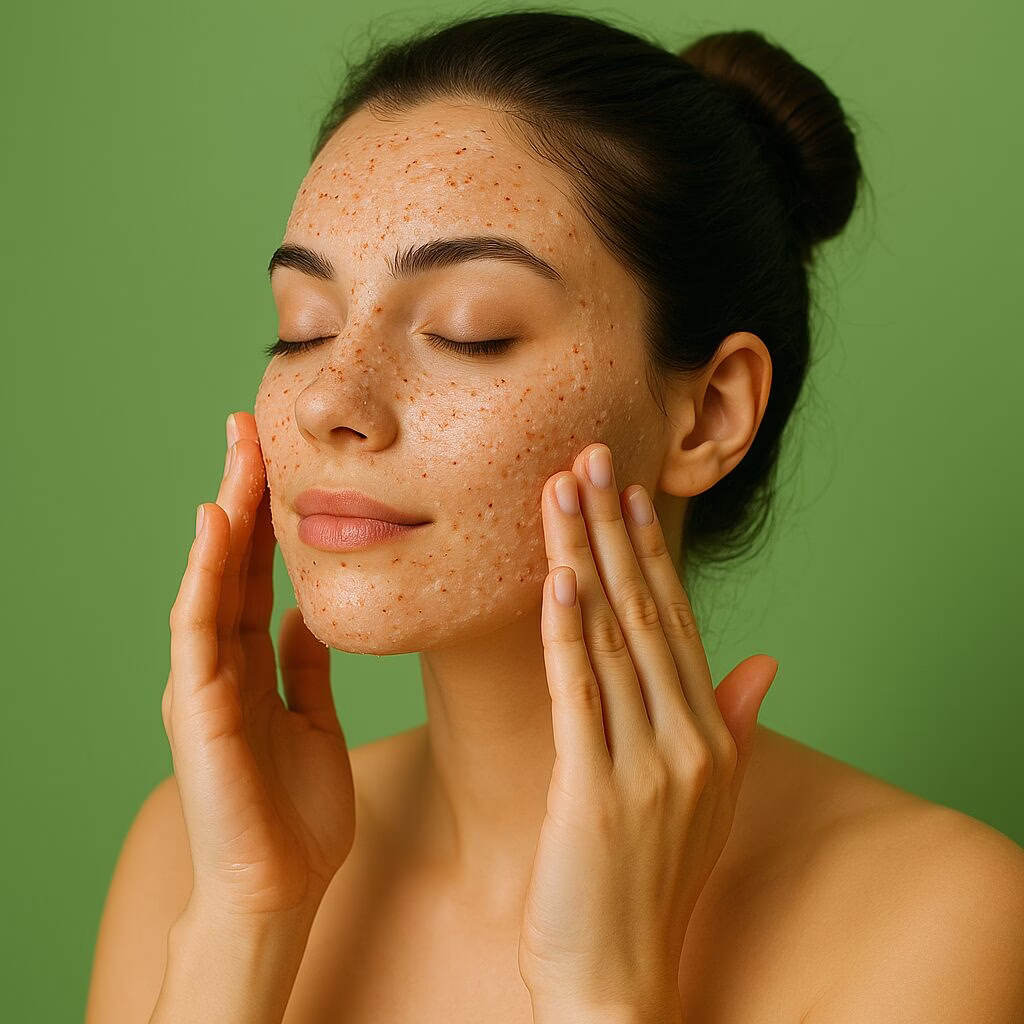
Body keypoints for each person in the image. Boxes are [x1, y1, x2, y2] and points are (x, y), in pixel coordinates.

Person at [86, 10, 1024, 1024]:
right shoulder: (196, 854)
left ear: (708, 412)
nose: (327, 400)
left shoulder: (941, 919)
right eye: (303, 327)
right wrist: (246, 921)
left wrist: (604, 990)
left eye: (467, 331)